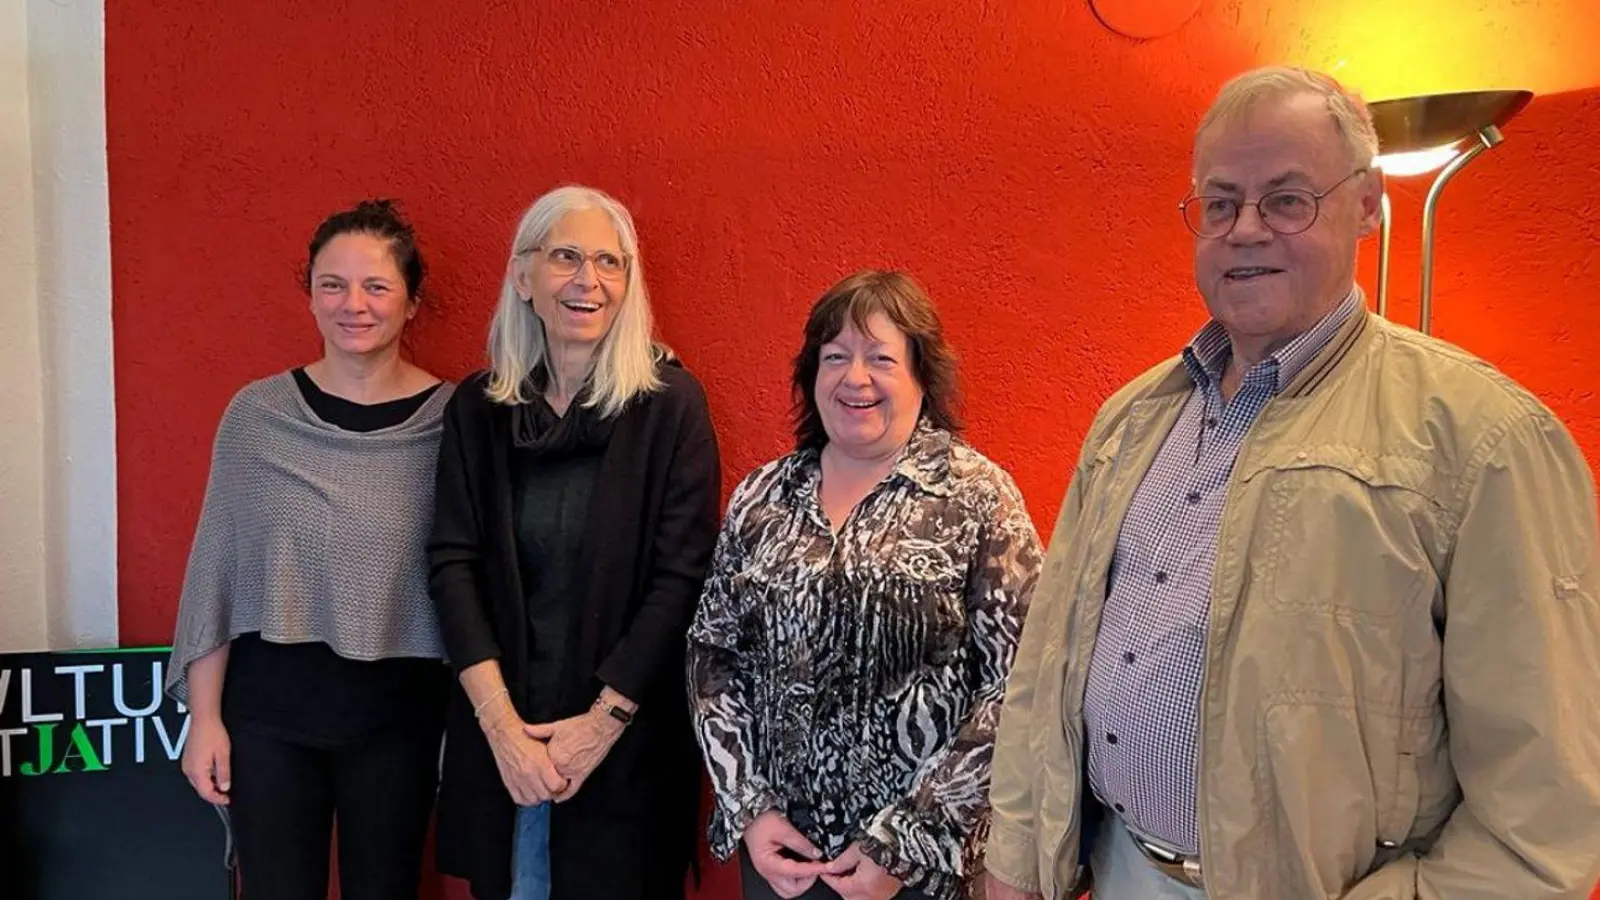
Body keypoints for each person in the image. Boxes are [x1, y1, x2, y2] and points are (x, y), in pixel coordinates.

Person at [984, 65, 1600, 900]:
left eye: (1286, 200)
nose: (1245, 230)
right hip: (1116, 868)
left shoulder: (1484, 442)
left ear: (1368, 203)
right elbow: (1046, 668)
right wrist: (1017, 862)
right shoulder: (1130, 421)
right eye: (1221, 202)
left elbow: (1546, 812)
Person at [689, 270, 1043, 900]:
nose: (856, 378)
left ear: (920, 378)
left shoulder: (976, 496)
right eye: (835, 358)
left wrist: (906, 840)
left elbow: (1022, 685)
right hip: (784, 862)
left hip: (922, 869)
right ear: (811, 375)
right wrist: (750, 810)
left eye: (881, 357)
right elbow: (712, 655)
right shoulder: (762, 497)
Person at [427, 184, 722, 900]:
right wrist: (501, 728)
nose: (588, 281)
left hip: (625, 748)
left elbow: (681, 579)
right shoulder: (479, 407)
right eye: (566, 258)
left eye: (609, 262)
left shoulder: (670, 405)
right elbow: (451, 565)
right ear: (524, 278)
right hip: (506, 741)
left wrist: (601, 725)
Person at [167, 199, 453, 900]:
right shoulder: (256, 416)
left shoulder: (456, 423)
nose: (353, 304)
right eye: (332, 285)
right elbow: (216, 574)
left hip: (400, 721)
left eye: (376, 286)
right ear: (311, 296)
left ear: (412, 303)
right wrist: (204, 720)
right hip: (270, 720)